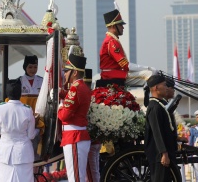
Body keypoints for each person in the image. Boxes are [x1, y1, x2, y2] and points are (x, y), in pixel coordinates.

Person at [0, 79, 38, 182]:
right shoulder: (27, 109)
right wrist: (39, 130)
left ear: (7, 93)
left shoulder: (0, 108)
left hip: (5, 153)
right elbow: (31, 135)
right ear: (20, 93)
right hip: (23, 153)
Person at [58, 50, 91, 181]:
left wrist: (59, 107)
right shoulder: (81, 87)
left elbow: (64, 116)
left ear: (75, 72)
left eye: (67, 70)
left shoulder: (75, 88)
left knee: (75, 178)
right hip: (76, 136)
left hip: (74, 137)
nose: (65, 73)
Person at [98, 9, 155, 87]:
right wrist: (148, 68)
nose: (123, 27)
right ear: (113, 26)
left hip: (115, 74)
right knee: (150, 74)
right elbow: (126, 65)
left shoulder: (111, 40)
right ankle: (151, 98)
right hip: (113, 75)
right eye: (120, 25)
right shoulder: (111, 42)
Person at [144, 75, 179, 182]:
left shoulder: (160, 105)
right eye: (164, 85)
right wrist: (163, 153)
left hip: (165, 152)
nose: (166, 88)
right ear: (156, 88)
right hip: (159, 155)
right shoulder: (154, 107)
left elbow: (166, 128)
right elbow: (157, 132)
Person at [84, 68, 101, 182]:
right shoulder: (95, 95)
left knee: (91, 170)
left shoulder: (85, 95)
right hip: (95, 139)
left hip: (90, 139)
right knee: (95, 169)